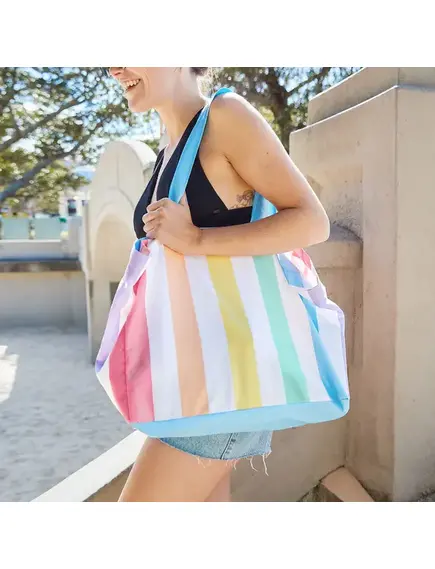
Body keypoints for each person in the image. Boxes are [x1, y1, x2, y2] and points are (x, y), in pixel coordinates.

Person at [107, 67, 330, 502]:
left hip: (225, 376)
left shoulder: (224, 115)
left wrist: (197, 239)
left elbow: (312, 220)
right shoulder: (171, 146)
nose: (114, 67)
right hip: (195, 377)